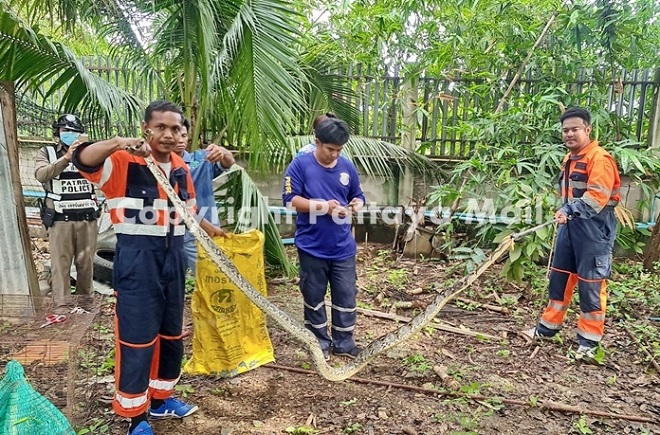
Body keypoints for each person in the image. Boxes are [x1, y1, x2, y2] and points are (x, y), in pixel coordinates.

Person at [72, 100, 225, 435]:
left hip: (174, 260)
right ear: (147, 129)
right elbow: (82, 158)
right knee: (137, 338)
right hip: (138, 261)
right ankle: (136, 417)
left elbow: (189, 212)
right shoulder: (123, 163)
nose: (168, 135)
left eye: (175, 128)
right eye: (161, 127)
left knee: (171, 334)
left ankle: (161, 399)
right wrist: (118, 142)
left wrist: (217, 233)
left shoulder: (182, 168)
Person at [525, 107, 621, 360]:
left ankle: (589, 342)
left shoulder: (599, 159)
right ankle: (547, 328)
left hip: (594, 229)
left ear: (587, 130)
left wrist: (570, 209)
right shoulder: (570, 158)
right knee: (560, 277)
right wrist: (566, 212)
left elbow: (597, 197)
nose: (569, 134)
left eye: (575, 129)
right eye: (565, 130)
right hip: (571, 225)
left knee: (590, 284)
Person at [282, 117, 365, 360]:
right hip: (312, 246)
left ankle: (344, 342)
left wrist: (356, 204)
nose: (334, 155)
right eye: (330, 149)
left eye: (339, 150)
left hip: (343, 248)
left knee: (346, 295)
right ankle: (318, 341)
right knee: (313, 295)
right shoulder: (300, 166)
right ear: (317, 142)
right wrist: (323, 207)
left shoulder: (347, 167)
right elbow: (290, 200)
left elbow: (357, 195)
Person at [34, 114, 99, 310]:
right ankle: (62, 307)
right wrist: (66, 158)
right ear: (58, 133)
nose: (70, 135)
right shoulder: (48, 153)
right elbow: (41, 174)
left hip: (87, 218)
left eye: (74, 131)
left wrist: (89, 154)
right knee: (60, 265)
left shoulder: (91, 153)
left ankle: (85, 305)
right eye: (65, 131)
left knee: (86, 264)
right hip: (61, 220)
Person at [174, 118, 235, 274]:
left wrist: (223, 151)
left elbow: (228, 162)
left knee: (210, 275)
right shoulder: (156, 165)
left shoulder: (200, 159)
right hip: (171, 231)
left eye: (184, 135)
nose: (181, 140)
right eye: (176, 134)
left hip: (205, 228)